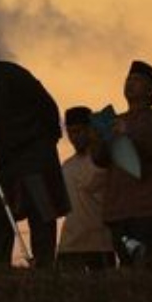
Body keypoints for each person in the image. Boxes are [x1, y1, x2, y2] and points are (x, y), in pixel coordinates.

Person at [0, 27, 70, 269]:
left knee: (41, 217)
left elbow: (46, 104)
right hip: (2, 163)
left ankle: (45, 272)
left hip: (34, 156)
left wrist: (46, 141)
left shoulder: (10, 73)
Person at [92, 60, 152, 271]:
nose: (130, 84)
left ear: (151, 90)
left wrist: (128, 132)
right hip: (118, 212)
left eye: (136, 80)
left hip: (148, 210)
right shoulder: (116, 120)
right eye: (128, 80)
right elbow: (99, 159)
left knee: (149, 269)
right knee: (127, 269)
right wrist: (100, 136)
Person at [56, 107, 115, 271]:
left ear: (91, 130)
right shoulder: (66, 166)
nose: (75, 137)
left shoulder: (104, 160)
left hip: (100, 245)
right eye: (71, 132)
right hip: (69, 247)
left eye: (79, 131)